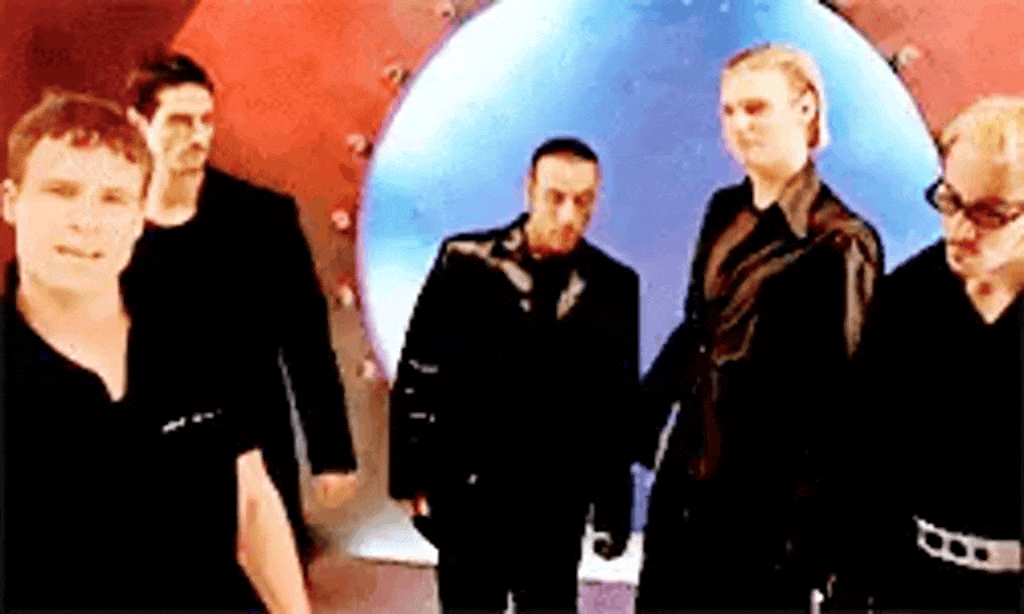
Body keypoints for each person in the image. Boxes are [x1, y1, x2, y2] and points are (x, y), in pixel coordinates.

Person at [2, 90, 311, 612]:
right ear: (11, 201)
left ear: (138, 216)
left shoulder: (196, 335)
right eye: (62, 191)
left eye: (113, 199)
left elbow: (254, 503)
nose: (86, 221)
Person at [635, 44, 883, 610]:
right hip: (686, 483)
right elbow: (697, 329)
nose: (739, 125)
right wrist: (638, 423)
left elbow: (845, 403)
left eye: (756, 108)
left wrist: (822, 543)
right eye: (728, 111)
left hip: (765, 512)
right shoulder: (722, 210)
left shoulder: (842, 242)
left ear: (806, 109)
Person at [123, 53, 358, 561]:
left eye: (205, 120)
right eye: (179, 121)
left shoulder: (261, 220)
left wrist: (331, 456)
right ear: (138, 124)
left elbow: (306, 345)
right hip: (150, 458)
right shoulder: (110, 222)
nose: (197, 136)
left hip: (253, 449)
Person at [389, 137, 639, 613]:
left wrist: (613, 507)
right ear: (530, 190)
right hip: (469, 489)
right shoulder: (466, 262)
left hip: (556, 501)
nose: (569, 215)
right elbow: (420, 372)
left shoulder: (613, 285)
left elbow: (614, 405)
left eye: (583, 201)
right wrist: (410, 477)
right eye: (556, 197)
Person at [845, 96, 1024, 610]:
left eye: (990, 214)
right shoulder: (906, 297)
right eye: (950, 201)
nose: (961, 231)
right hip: (917, 586)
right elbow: (866, 461)